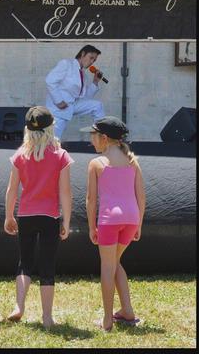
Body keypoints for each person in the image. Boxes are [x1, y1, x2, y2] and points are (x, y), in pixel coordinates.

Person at [4, 106, 73, 328]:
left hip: (25, 214)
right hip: (49, 216)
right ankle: (46, 317)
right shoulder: (60, 155)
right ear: (51, 128)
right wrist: (67, 220)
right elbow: (65, 192)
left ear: (27, 129)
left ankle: (19, 306)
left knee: (25, 262)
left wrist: (8, 216)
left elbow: (11, 190)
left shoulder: (20, 155)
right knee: (47, 266)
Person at [81, 116, 146, 332]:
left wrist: (92, 227)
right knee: (115, 262)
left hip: (109, 220)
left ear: (104, 138)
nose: (91, 141)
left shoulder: (96, 164)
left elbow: (91, 200)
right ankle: (127, 311)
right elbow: (141, 197)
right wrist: (139, 225)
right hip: (131, 218)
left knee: (107, 267)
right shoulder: (133, 161)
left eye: (93, 136)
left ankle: (107, 321)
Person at [45, 44, 106, 139]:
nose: (92, 62)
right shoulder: (66, 64)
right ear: (82, 54)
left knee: (97, 105)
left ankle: (102, 134)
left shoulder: (83, 74)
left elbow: (85, 97)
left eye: (94, 60)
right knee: (52, 141)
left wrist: (95, 82)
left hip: (73, 105)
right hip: (58, 110)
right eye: (91, 58)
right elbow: (50, 80)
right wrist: (59, 101)